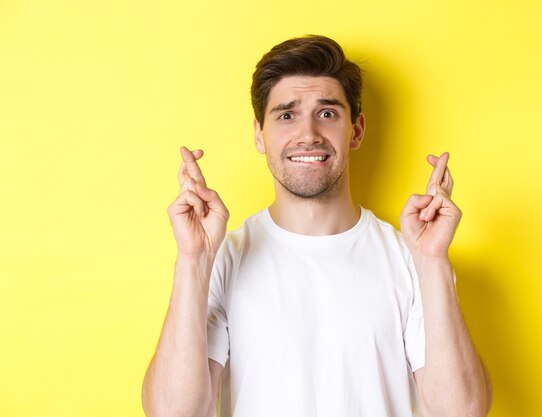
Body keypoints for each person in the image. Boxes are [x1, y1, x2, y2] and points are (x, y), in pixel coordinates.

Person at [142, 35, 492, 417]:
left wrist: (433, 262)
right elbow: (173, 414)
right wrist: (193, 260)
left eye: (327, 113)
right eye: (286, 115)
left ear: (356, 131)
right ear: (259, 134)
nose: (307, 134)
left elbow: (462, 413)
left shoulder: (412, 260)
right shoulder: (220, 260)